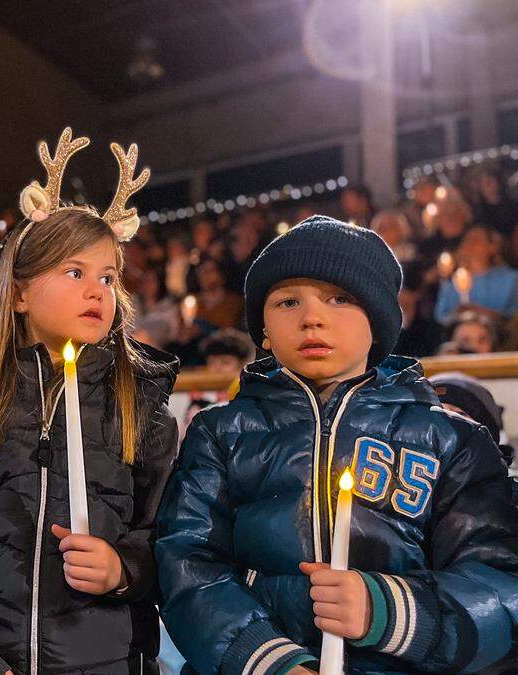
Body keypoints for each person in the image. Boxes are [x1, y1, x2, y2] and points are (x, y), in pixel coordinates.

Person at [158, 216, 518, 673]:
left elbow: (499, 583)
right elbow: (187, 564)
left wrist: (385, 610)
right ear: (263, 331)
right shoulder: (220, 432)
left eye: (340, 299)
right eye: (288, 301)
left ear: (379, 322)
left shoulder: (451, 440)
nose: (312, 317)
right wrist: (267, 658)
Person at [0, 128, 180, 674]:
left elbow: (171, 540)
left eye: (108, 276)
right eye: (74, 272)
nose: (97, 290)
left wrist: (123, 568)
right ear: (21, 292)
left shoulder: (140, 402)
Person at [434, 224, 518, 325]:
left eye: (477, 239)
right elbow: (441, 316)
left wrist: (480, 312)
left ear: (492, 247)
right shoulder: (452, 281)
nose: (470, 244)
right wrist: (456, 314)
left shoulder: (511, 279)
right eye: (467, 240)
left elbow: (513, 317)